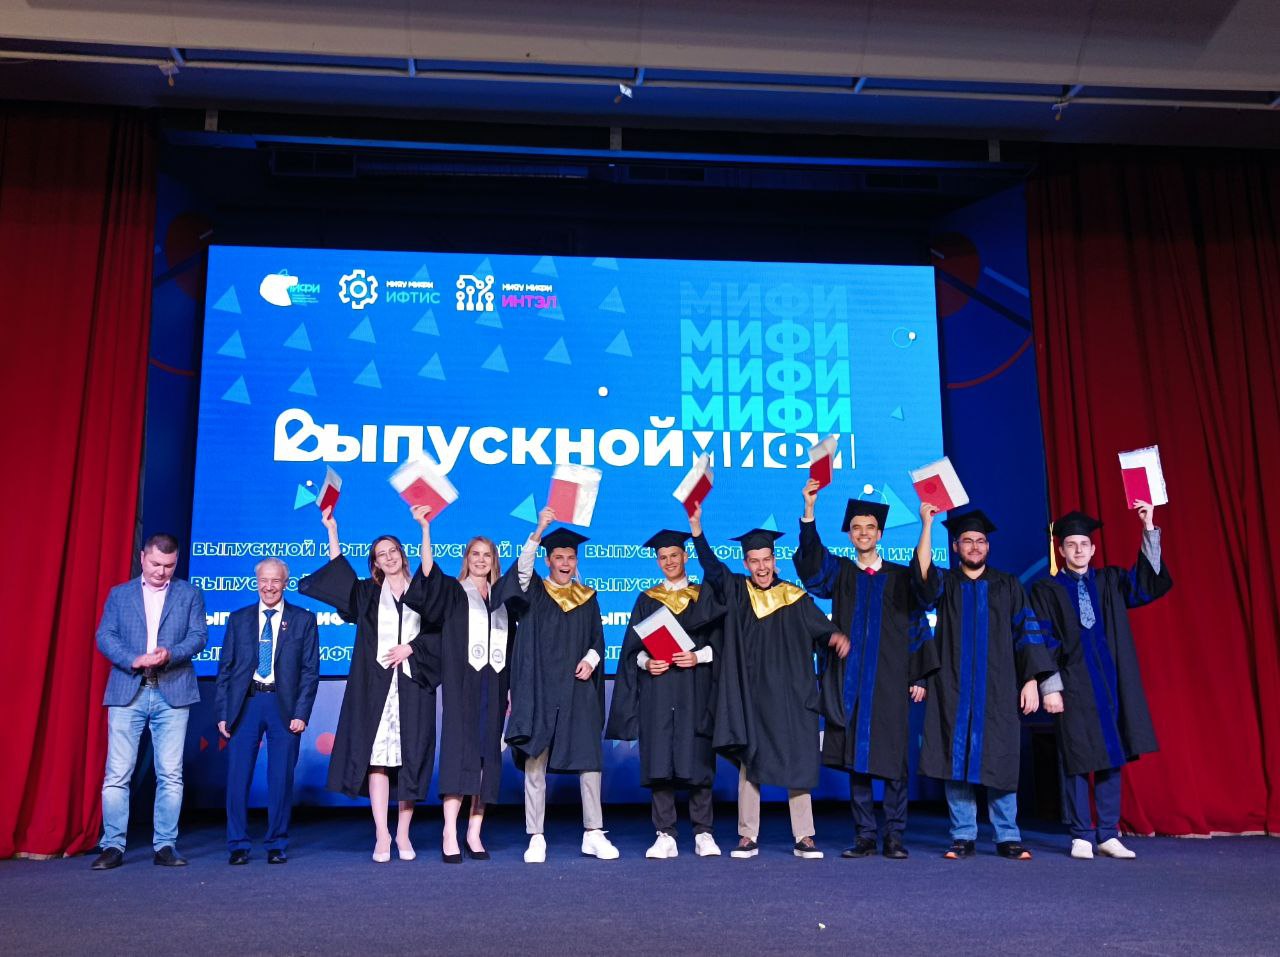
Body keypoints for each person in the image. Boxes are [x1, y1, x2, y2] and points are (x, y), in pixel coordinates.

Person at [689, 502, 850, 860]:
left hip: (793, 695)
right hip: (753, 696)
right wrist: (698, 531)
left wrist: (834, 637)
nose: (761, 567)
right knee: (751, 763)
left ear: (775, 561)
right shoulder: (737, 592)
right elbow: (713, 570)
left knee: (799, 761)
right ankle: (747, 835)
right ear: (746, 563)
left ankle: (804, 836)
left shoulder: (795, 597)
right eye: (754, 561)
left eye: (766, 560)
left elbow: (821, 629)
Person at [794, 485, 940, 860]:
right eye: (856, 527)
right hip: (851, 681)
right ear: (849, 534)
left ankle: (894, 835)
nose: (863, 533)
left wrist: (919, 675)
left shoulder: (899, 577)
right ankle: (864, 835)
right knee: (856, 761)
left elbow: (918, 621)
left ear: (880, 533)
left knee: (894, 760)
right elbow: (812, 564)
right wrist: (809, 510)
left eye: (870, 527)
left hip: (891, 682)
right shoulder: (841, 573)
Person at [914, 507, 1062, 861]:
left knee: (1000, 758)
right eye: (967, 541)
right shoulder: (946, 583)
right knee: (955, 758)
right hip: (953, 685)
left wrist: (1031, 680)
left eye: (980, 541)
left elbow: (1026, 633)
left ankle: (1007, 835)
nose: (975, 546)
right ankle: (962, 835)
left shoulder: (1007, 585)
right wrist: (927, 525)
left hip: (998, 686)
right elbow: (922, 577)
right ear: (955, 547)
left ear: (988, 546)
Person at [1030, 504, 1172, 860]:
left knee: (1111, 753)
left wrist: (1149, 528)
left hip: (1110, 681)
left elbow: (1147, 583)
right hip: (1072, 683)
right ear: (1061, 550)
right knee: (1075, 757)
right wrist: (1050, 687)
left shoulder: (1109, 581)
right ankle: (1081, 834)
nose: (1078, 550)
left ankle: (1108, 833)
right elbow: (1042, 639)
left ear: (1093, 549)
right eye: (1071, 545)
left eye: (1084, 544)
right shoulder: (1046, 589)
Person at [298, 505, 438, 863]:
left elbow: (439, 630)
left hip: (413, 684)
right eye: (381, 555)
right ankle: (382, 834)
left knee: (410, 760)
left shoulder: (422, 590)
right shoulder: (367, 593)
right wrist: (332, 530)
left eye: (393, 551)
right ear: (375, 563)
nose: (388, 558)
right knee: (377, 761)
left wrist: (412, 648)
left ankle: (403, 834)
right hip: (375, 687)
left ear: (401, 555)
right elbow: (339, 576)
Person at [494, 506, 618, 863]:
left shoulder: (588, 597)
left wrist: (590, 660)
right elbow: (521, 572)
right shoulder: (534, 592)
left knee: (589, 759)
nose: (565, 563)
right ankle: (536, 836)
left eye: (570, 557)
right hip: (540, 690)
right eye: (559, 557)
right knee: (535, 760)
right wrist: (538, 530)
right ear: (548, 561)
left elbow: (597, 641)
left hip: (577, 690)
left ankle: (594, 832)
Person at [404, 509, 519, 862]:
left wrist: (510, 690)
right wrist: (426, 529)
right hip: (462, 685)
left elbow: (512, 647)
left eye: (487, 555)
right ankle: (449, 831)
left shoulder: (503, 598)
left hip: (495, 685)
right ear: (466, 558)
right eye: (475, 554)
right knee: (460, 754)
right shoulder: (455, 592)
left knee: (487, 758)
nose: (481, 560)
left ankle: (474, 832)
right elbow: (428, 574)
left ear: (494, 560)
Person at [605, 529, 725, 859]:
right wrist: (647, 662)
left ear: (685, 557)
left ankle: (703, 832)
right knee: (659, 757)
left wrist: (698, 657)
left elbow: (722, 644)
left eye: (674, 555)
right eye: (663, 557)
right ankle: (665, 834)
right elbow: (631, 651)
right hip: (658, 690)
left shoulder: (704, 596)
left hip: (694, 687)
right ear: (657, 562)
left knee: (698, 754)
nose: (669, 561)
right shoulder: (647, 600)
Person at [91, 533, 208, 870]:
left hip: (173, 690)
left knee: (170, 773)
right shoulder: (120, 594)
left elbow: (199, 636)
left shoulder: (189, 594)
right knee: (117, 773)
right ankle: (112, 845)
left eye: (169, 565)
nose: (161, 571)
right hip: (128, 690)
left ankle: (165, 845)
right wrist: (134, 659)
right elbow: (105, 636)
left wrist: (170, 653)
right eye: (156, 563)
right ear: (143, 558)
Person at [215, 557, 320, 865]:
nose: (269, 587)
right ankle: (237, 844)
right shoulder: (238, 619)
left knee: (280, 778)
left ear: (285, 583)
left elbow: (310, 671)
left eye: (275, 581)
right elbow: (226, 669)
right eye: (264, 580)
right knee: (237, 778)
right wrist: (223, 712)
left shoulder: (303, 620)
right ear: (256, 582)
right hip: (245, 704)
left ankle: (276, 842)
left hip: (283, 706)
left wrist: (301, 712)